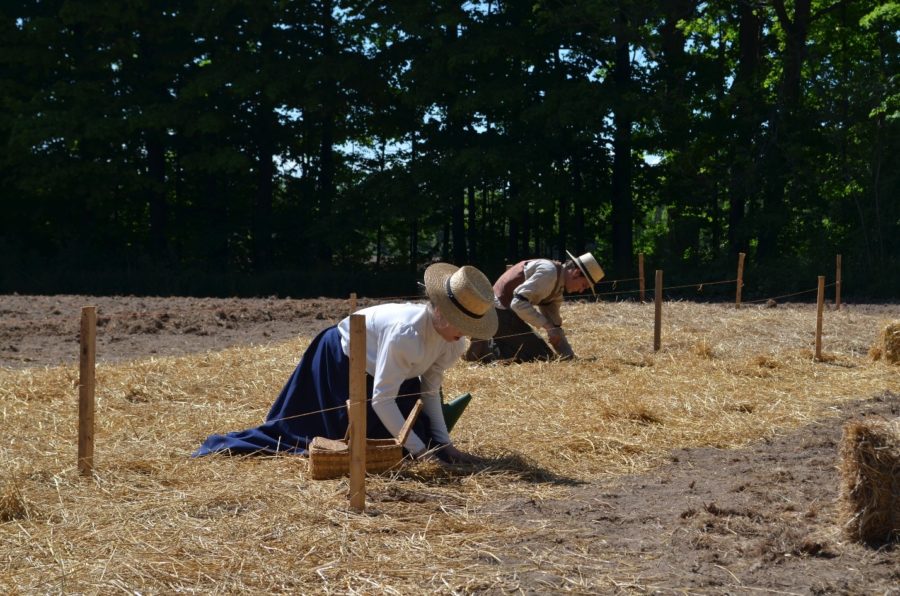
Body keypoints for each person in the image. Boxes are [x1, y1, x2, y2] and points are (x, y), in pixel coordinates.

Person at [193, 263, 497, 464]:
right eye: (460, 322)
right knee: (313, 436)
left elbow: (429, 392)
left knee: (406, 441)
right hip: (340, 360)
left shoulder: (453, 341)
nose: (465, 333)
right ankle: (219, 447)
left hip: (386, 369)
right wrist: (421, 454)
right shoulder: (407, 333)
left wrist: (444, 446)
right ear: (442, 313)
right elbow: (382, 399)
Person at [464, 251, 604, 363]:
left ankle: (487, 342)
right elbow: (518, 303)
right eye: (584, 285)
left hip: (503, 314)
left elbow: (555, 325)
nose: (581, 290)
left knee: (544, 354)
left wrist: (569, 356)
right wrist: (548, 327)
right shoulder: (549, 274)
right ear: (576, 273)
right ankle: (487, 350)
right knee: (542, 357)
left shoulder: (557, 286)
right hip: (496, 312)